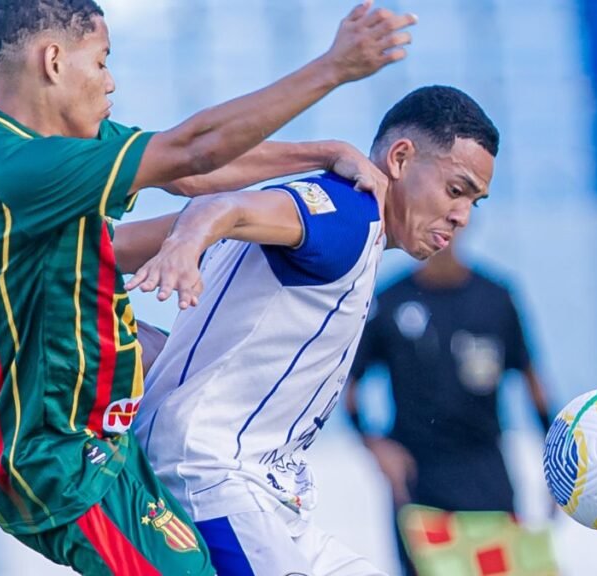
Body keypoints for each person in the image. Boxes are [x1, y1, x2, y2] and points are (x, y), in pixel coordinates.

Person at [0, 0, 416, 573]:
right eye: (101, 61)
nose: (110, 81)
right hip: (58, 466)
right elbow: (193, 148)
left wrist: (321, 154)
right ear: (53, 61)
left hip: (93, 440)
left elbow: (189, 173)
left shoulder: (20, 141)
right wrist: (334, 67)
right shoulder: (29, 168)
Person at [118, 85, 499, 575]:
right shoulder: (350, 216)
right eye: (456, 190)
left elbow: (115, 248)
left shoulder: (343, 226)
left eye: (475, 202)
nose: (462, 216)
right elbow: (224, 207)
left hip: (269, 496)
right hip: (214, 481)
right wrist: (186, 244)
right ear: (401, 159)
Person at [345, 234, 551, 575]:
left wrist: (554, 468)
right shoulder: (392, 300)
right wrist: (375, 445)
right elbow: (348, 382)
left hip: (485, 473)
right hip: (418, 477)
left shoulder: (496, 297)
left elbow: (532, 380)